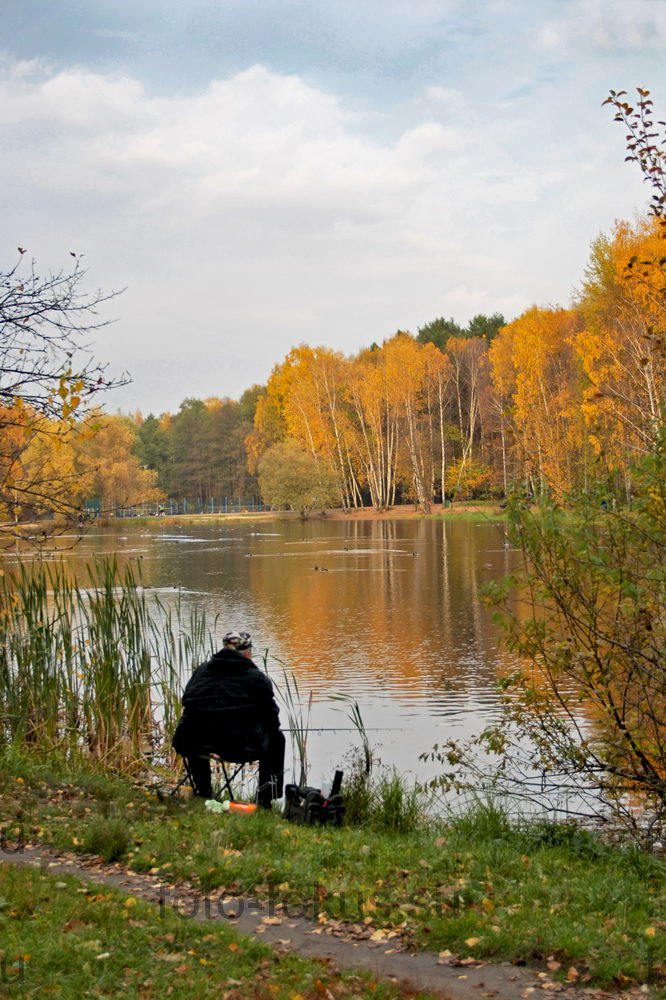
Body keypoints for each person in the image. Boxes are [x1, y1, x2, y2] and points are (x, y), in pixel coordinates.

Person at [172, 631, 285, 807]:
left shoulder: (201, 672)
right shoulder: (257, 678)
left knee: (195, 728)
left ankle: (203, 791)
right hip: (240, 748)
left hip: (193, 743)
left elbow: (188, 703)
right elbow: (272, 719)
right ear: (247, 652)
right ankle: (264, 800)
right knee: (277, 739)